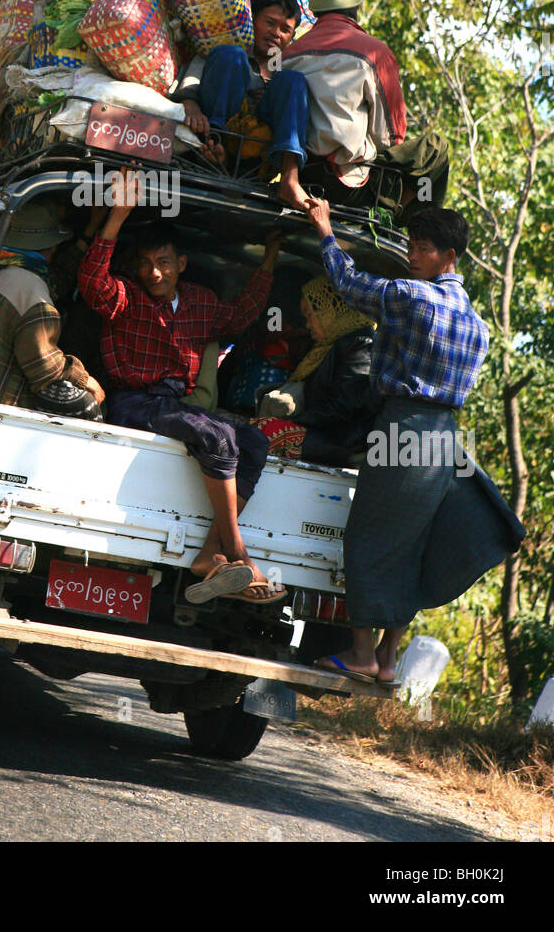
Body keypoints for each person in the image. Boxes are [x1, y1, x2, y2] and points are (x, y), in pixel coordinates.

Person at [305, 198, 525, 682]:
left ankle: (361, 654)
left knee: (366, 537)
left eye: (422, 249)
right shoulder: (477, 325)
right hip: (443, 438)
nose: (412, 256)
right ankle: (386, 660)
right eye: (411, 246)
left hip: (402, 428)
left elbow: (348, 283)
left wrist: (324, 229)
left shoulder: (412, 296)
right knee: (410, 544)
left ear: (448, 257)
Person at [78, 187, 286, 604]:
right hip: (133, 403)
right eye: (145, 265)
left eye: (163, 263)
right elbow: (92, 282)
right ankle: (239, 555)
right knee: (215, 435)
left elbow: (241, 315)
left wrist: (268, 262)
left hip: (176, 406)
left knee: (253, 440)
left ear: (181, 266)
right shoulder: (126, 299)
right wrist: (118, 215)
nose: (154, 273)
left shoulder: (200, 303)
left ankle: (210, 553)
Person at [281, 0, 408, 206]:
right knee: (433, 152)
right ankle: (408, 230)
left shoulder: (289, 54)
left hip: (301, 173)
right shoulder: (375, 53)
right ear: (357, 4)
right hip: (348, 183)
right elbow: (392, 137)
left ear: (314, 10)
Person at [171, 0, 312, 209]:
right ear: (253, 20)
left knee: (294, 80)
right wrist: (191, 107)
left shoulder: (283, 70)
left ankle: (289, 178)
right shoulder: (225, 52)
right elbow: (188, 85)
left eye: (285, 29)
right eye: (270, 23)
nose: (276, 33)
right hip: (209, 142)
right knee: (231, 56)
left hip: (254, 161)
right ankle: (214, 147)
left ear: (291, 38)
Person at [0, 200, 105, 415]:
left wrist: (91, 229)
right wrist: (85, 380)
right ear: (53, 246)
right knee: (91, 405)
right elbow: (46, 369)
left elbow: (59, 277)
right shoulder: (30, 287)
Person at [254, 276, 382, 465]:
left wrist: (296, 423)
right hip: (325, 435)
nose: (307, 324)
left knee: (255, 434)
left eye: (310, 315)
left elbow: (344, 408)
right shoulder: (327, 347)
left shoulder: (359, 344)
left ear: (328, 312)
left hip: (341, 442)